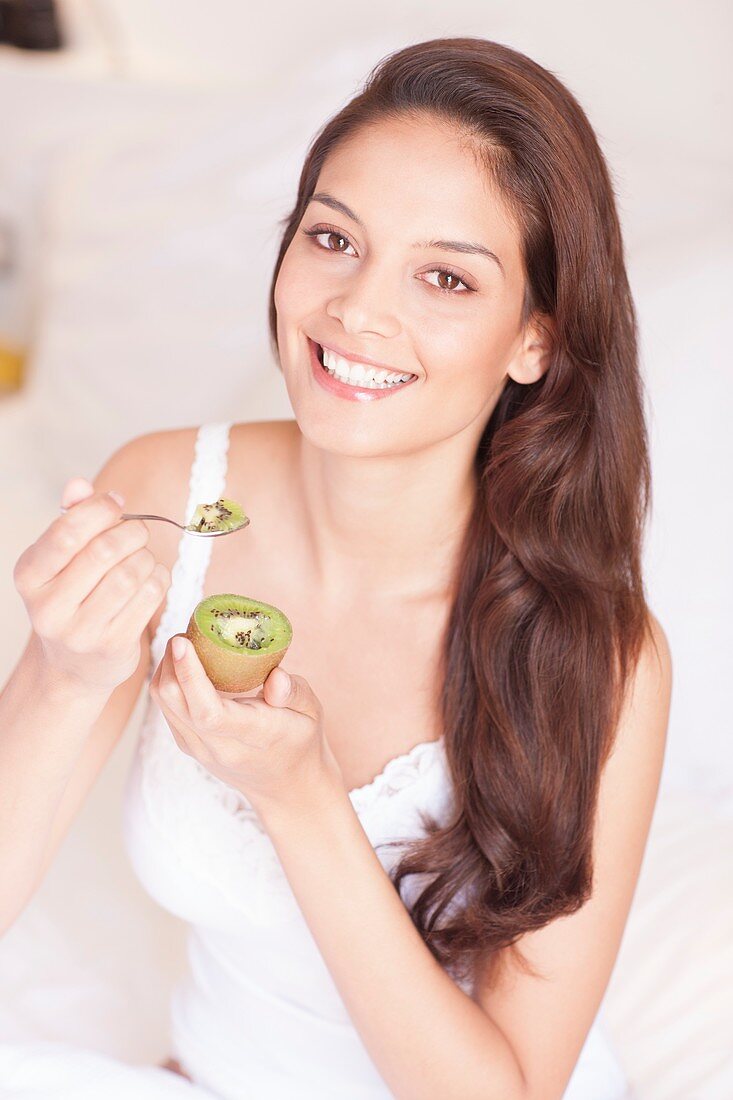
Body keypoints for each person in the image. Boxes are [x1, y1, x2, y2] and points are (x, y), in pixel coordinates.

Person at [0, 35, 671, 1100]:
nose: (358, 310)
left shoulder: (599, 655)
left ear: (533, 339)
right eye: (333, 237)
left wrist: (300, 797)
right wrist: (61, 675)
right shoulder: (174, 495)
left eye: (445, 276)